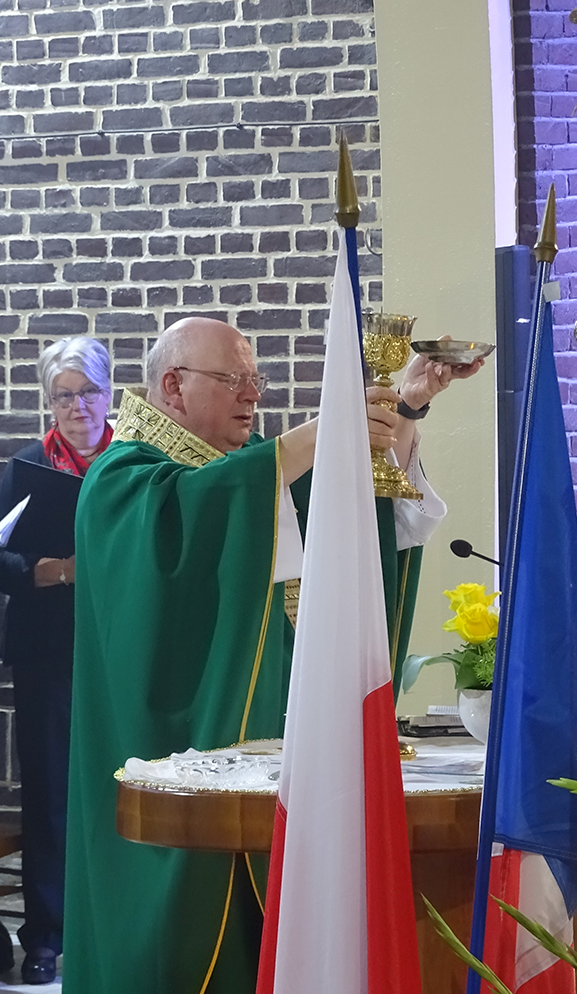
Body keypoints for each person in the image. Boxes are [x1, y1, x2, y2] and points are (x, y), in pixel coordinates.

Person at [62, 316, 482, 994]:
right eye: (233, 379)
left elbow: (352, 514)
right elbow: (204, 508)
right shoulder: (123, 480)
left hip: (273, 765)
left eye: (255, 380)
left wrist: (403, 408)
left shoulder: (253, 471)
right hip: (164, 760)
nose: (252, 395)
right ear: (173, 386)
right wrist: (328, 430)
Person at [0, 337, 113, 985]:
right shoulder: (26, 467)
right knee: (48, 791)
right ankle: (44, 934)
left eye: (88, 392)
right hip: (47, 649)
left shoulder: (133, 461)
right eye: (63, 395)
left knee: (122, 781)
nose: (77, 407)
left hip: (120, 643)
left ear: (108, 392)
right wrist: (46, 571)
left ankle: (116, 925)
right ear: (49, 402)